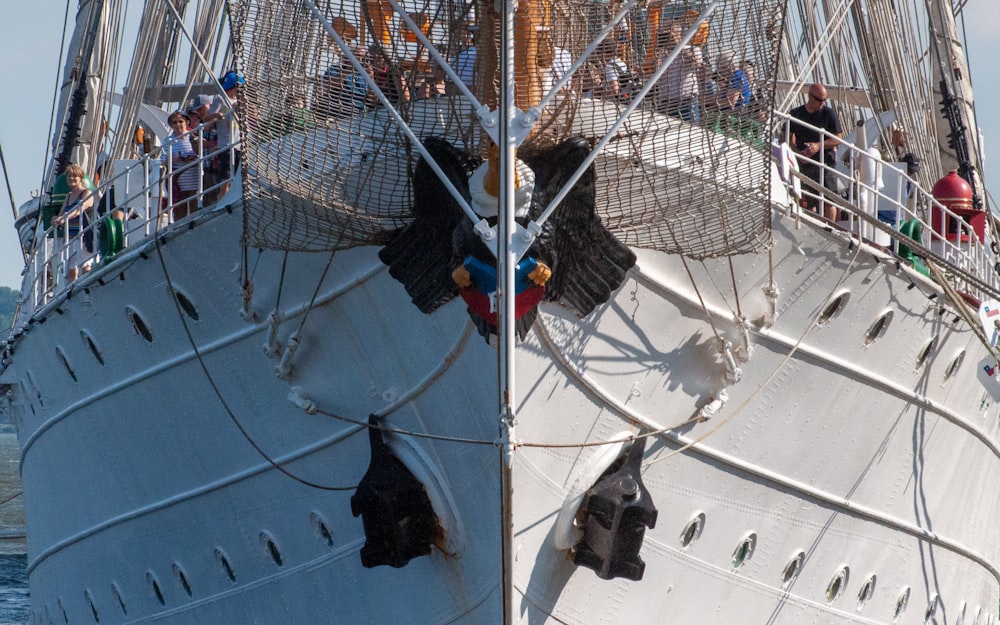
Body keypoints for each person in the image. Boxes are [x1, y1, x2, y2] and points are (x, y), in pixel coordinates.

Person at [788, 82, 843, 220]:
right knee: (808, 200)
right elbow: (788, 136)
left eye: (825, 100)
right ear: (810, 97)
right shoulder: (796, 113)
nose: (822, 103)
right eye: (819, 100)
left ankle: (830, 228)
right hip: (804, 163)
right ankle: (810, 225)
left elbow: (838, 138)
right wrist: (797, 152)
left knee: (829, 201)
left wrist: (818, 145)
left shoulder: (829, 114)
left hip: (825, 163)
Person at [654, 22, 706, 122]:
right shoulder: (662, 54)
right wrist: (658, 54)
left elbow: (697, 64)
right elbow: (656, 74)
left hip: (686, 102)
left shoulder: (691, 49)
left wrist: (679, 46)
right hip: (666, 103)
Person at [51, 164, 94, 282]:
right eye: (69, 176)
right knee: (71, 270)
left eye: (74, 176)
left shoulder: (87, 193)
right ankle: (71, 292)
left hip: (83, 236)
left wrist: (65, 217)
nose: (71, 178)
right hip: (70, 236)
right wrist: (55, 219)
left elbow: (79, 209)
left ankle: (88, 289)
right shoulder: (69, 196)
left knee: (85, 266)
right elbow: (61, 214)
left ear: (80, 178)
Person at [204, 70, 244, 198]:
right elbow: (206, 118)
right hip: (226, 144)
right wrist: (217, 115)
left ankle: (233, 197)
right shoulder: (221, 99)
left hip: (238, 144)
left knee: (237, 176)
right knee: (225, 178)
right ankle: (223, 198)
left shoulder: (241, 101)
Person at [164, 110, 201, 220]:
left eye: (180, 121)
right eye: (174, 122)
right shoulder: (168, 141)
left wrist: (192, 157)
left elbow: (202, 153)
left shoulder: (194, 137)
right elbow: (162, 161)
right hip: (178, 186)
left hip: (194, 182)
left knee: (195, 212)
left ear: (186, 122)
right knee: (180, 215)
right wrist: (172, 160)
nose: (178, 125)